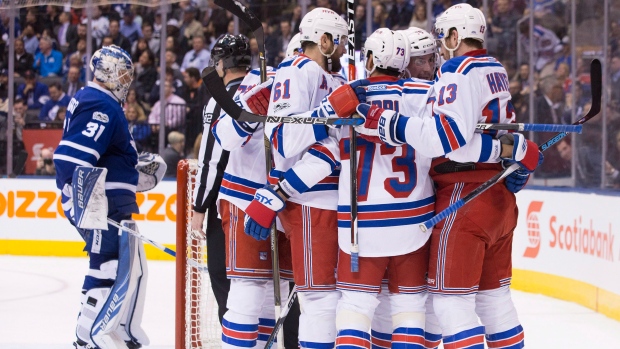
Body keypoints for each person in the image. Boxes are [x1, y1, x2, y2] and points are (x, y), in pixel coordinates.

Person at [353, 4, 543, 348]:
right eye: (423, 56)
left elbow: (450, 144)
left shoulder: (457, 71)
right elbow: (498, 131)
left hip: (464, 199)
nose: (437, 54)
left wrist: (386, 122)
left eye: (440, 41)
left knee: (449, 303)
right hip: (498, 199)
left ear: (456, 36)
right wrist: (515, 154)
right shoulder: (494, 68)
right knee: (494, 302)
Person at [243, 7, 348, 349]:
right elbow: (285, 141)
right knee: (319, 301)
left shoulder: (336, 76)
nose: (346, 47)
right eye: (341, 40)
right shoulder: (296, 68)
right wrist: (330, 113)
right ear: (324, 40)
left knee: (336, 300)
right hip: (307, 201)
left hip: (335, 201)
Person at [52, 45, 150, 349]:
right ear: (106, 71)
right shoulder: (102, 105)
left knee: (114, 266)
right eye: (121, 73)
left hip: (106, 201)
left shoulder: (100, 101)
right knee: (108, 268)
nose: (126, 80)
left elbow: (104, 159)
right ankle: (90, 337)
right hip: (100, 204)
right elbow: (71, 158)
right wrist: (81, 201)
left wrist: (136, 172)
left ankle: (88, 337)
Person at [206, 34, 298, 349]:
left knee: (279, 293)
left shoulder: (323, 86)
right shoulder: (261, 80)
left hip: (289, 202)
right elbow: (224, 139)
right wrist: (247, 113)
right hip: (246, 199)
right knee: (249, 290)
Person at [190, 34, 247, 330]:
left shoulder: (220, 100)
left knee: (226, 283)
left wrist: (199, 207)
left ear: (223, 63)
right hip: (271, 203)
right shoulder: (269, 90)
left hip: (228, 208)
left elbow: (211, 160)